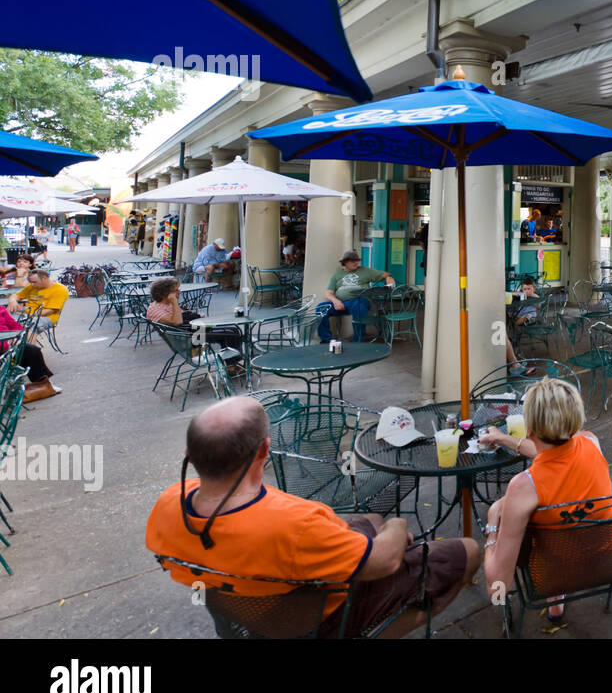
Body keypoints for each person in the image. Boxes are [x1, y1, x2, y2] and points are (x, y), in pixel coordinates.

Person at [146, 397, 480, 639]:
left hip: (251, 615)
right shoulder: (295, 524)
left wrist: (380, 527)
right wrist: (399, 526)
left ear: (190, 457)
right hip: (322, 618)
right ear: (265, 450)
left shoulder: (167, 505)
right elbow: (384, 561)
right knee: (466, 550)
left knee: (373, 519)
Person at [479, 378, 612, 622]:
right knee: (565, 525)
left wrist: (492, 524)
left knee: (543, 537)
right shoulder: (590, 441)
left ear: (529, 428)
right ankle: (556, 606)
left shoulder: (523, 487)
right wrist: (503, 438)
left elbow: (497, 585)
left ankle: (555, 601)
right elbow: (553, 451)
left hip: (556, 575)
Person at [315, 250, 395, 344]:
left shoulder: (365, 271)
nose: (356, 262)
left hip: (360, 300)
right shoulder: (337, 275)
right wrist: (335, 301)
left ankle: (358, 341)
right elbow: (328, 293)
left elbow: (384, 274)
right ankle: (326, 339)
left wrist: (388, 277)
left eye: (357, 260)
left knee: (358, 306)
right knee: (320, 308)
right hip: (341, 303)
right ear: (345, 262)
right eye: (353, 261)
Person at [145, 277, 244, 352]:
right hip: (187, 338)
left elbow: (181, 316)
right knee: (230, 333)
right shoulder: (155, 309)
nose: (179, 292)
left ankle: (231, 363)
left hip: (191, 332)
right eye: (176, 290)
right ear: (165, 294)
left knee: (232, 330)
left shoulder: (166, 304)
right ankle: (231, 366)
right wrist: (174, 301)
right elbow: (177, 322)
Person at [0, 306, 59, 401]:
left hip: (10, 344)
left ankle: (43, 384)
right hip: (3, 348)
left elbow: (15, 325)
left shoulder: (1, 309)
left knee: (32, 351)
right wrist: (6, 344)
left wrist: (15, 337)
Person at [13, 269, 69, 343]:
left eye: (34, 282)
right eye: (30, 282)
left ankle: (30, 352)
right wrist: (12, 301)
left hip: (46, 317)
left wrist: (28, 315)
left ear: (44, 278)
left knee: (29, 326)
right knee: (6, 322)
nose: (32, 284)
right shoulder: (32, 286)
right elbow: (16, 295)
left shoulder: (60, 290)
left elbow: (50, 311)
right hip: (27, 314)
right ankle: (12, 350)